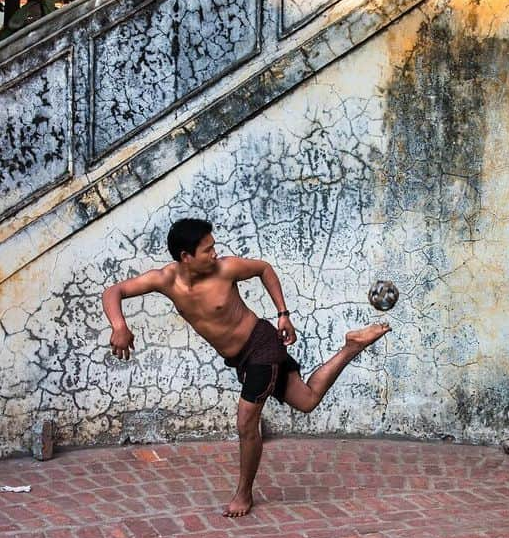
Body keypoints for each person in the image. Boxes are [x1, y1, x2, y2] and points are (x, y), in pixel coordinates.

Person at [102, 218, 390, 517]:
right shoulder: (164, 280)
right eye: (206, 250)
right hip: (240, 359)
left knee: (245, 422)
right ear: (185, 257)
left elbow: (264, 268)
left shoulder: (226, 269)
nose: (214, 254)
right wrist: (119, 325)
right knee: (307, 400)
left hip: (261, 345)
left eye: (214, 247)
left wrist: (283, 314)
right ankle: (351, 346)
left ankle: (243, 494)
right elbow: (114, 291)